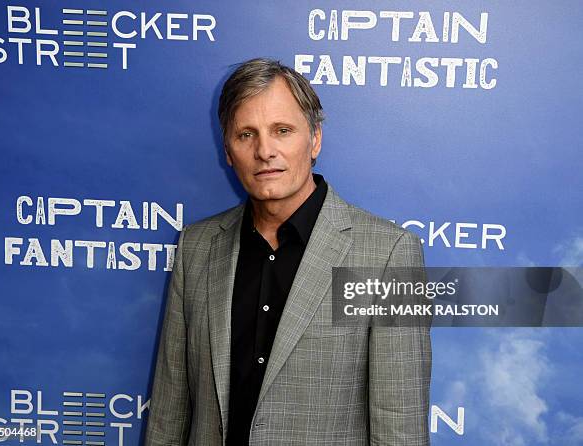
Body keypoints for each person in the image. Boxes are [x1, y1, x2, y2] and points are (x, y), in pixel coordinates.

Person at [145, 58, 431, 446]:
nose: (265, 150)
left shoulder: (388, 255)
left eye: (282, 130)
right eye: (246, 134)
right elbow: (168, 413)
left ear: (314, 140)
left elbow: (400, 428)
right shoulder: (197, 247)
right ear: (227, 149)